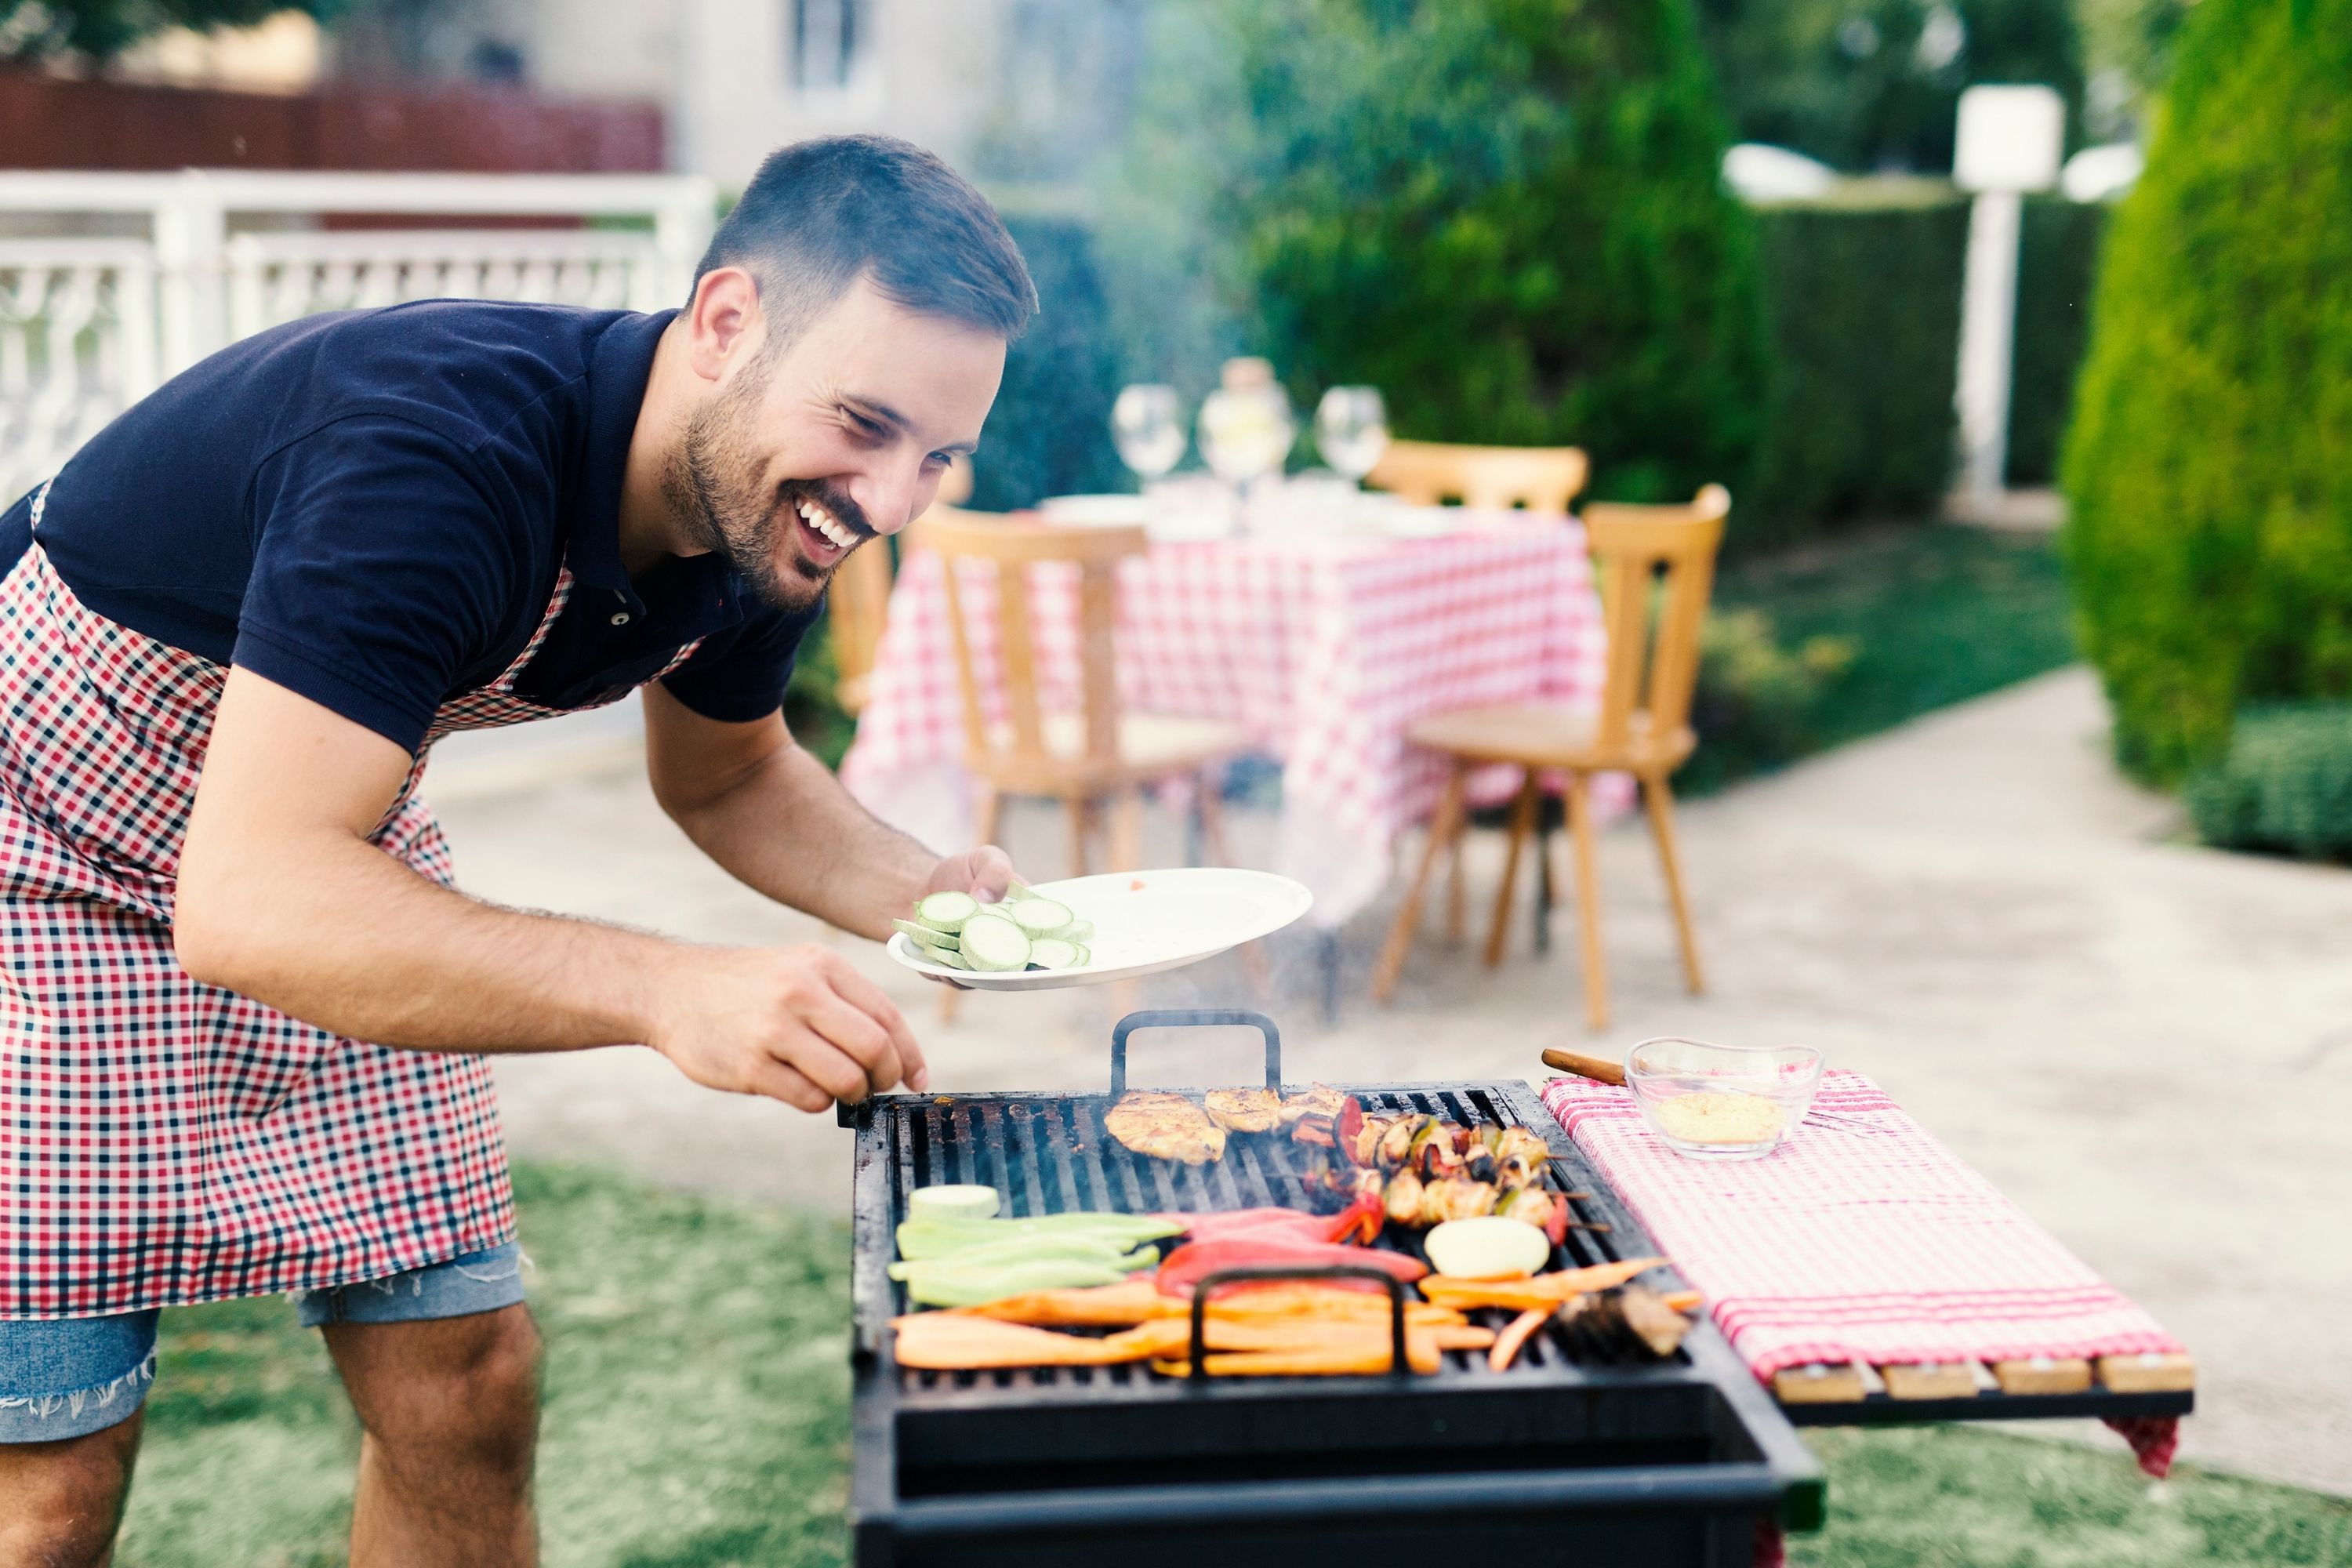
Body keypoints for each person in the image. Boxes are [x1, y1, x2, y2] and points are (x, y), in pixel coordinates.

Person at [0, 134, 1031, 1566]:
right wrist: (673, 990)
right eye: (865, 422)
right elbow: (250, 903)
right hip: (34, 849)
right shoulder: (437, 448)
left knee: (467, 1380)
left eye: (936, 457)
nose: (889, 500)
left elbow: (730, 777)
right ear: (727, 323)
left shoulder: (763, 510)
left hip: (310, 835)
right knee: (49, 1474)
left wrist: (929, 897)